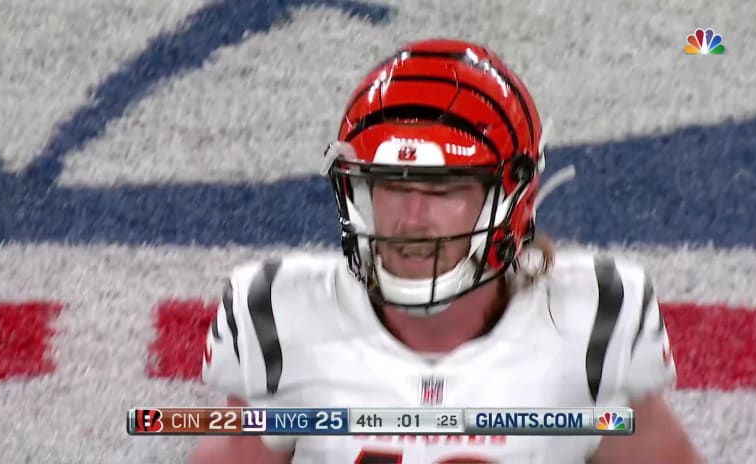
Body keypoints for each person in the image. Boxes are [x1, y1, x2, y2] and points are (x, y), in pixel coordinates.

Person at [190, 38, 703, 463]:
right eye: (390, 185)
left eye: (445, 189)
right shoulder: (281, 318)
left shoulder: (590, 326)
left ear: (511, 197)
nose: (412, 218)